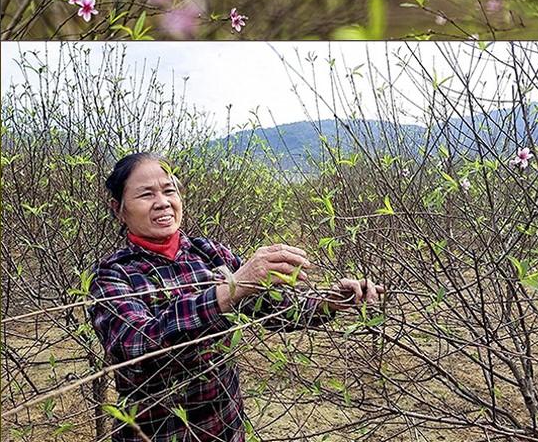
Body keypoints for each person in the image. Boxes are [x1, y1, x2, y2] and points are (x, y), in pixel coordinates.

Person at [89, 152, 385, 442]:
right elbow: (137, 345)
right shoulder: (113, 275)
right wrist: (231, 289)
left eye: (170, 191)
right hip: (158, 432)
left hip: (224, 426)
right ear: (119, 209)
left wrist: (336, 298)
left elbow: (276, 308)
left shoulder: (210, 254)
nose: (163, 202)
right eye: (146, 195)